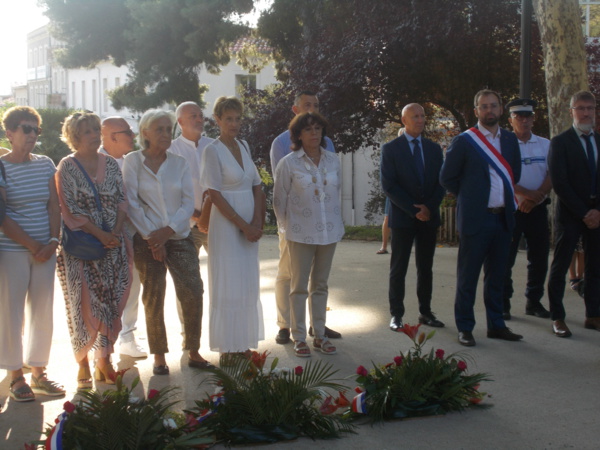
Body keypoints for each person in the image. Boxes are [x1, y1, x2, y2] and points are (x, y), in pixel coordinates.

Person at [122, 109, 212, 374]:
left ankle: (193, 349)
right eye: (159, 129)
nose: (165, 134)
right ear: (145, 133)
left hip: (178, 236)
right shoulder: (133, 161)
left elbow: (187, 203)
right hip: (147, 239)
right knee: (153, 295)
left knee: (193, 289)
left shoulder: (178, 163)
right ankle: (159, 355)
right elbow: (132, 203)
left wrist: (167, 231)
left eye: (168, 129)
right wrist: (153, 237)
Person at [440, 89, 523, 346]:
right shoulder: (465, 141)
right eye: (484, 107)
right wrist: (471, 195)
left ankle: (496, 325)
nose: (490, 111)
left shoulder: (509, 140)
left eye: (494, 106)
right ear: (476, 111)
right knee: (468, 277)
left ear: (501, 110)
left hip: (502, 218)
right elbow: (447, 177)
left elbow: (515, 174)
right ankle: (465, 327)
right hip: (477, 220)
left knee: (498, 276)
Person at [56, 111, 132, 388]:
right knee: (83, 304)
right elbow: (70, 209)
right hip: (82, 250)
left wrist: (114, 233)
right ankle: (83, 361)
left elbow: (122, 202)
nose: (93, 136)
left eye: (95, 130)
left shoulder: (110, 164)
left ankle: (105, 360)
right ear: (74, 137)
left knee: (110, 303)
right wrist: (100, 234)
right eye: (86, 131)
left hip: (114, 246)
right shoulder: (67, 166)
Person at [0, 106, 64, 402]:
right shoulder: (1, 166)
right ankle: (15, 375)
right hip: (13, 250)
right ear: (9, 133)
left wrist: (53, 239)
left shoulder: (45, 163)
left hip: (46, 249)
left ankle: (38, 372)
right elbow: (2, 216)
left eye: (35, 130)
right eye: (25, 129)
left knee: (42, 309)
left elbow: (54, 205)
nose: (32, 135)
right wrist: (31, 245)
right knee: (10, 312)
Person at [270, 90, 341, 344]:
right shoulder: (282, 147)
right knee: (290, 278)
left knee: (319, 283)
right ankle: (287, 327)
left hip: (326, 229)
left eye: (316, 106)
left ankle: (318, 331)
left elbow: (335, 191)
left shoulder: (331, 153)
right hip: (296, 228)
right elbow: (280, 196)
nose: (315, 132)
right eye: (307, 105)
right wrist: (286, 226)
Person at [200, 96, 264, 358]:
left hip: (250, 227)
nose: (235, 123)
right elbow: (214, 194)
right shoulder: (212, 150)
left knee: (246, 282)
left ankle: (243, 343)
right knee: (227, 282)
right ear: (217, 120)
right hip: (226, 228)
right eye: (229, 119)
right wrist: (242, 225)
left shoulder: (244, 145)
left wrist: (257, 222)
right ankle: (228, 347)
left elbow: (257, 185)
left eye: (238, 118)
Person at [381, 103, 445, 332]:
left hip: (429, 218)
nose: (420, 120)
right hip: (403, 218)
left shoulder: (433, 149)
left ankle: (425, 312)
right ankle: (396, 314)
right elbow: (389, 185)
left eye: (422, 116)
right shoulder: (391, 149)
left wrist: (428, 207)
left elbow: (441, 182)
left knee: (425, 267)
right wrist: (414, 209)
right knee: (399, 268)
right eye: (415, 116)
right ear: (404, 120)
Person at [546, 90, 600, 338]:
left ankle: (593, 314)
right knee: (560, 266)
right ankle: (557, 316)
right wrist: (583, 212)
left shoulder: (598, 140)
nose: (586, 112)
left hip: (596, 215)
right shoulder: (560, 142)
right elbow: (560, 182)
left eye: (590, 108)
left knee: (596, 266)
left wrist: (596, 211)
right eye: (580, 108)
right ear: (571, 112)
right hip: (570, 214)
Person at [100, 117, 147, 359]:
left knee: (132, 286)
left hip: (133, 233)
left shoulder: (135, 159)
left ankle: (128, 336)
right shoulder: (94, 161)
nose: (133, 135)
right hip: (101, 237)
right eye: (127, 132)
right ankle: (102, 343)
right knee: (103, 291)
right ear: (111, 136)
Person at [502, 98, 552, 320]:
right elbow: (504, 176)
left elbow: (553, 173)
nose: (524, 120)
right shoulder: (504, 144)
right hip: (513, 209)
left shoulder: (545, 144)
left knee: (539, 258)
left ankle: (534, 302)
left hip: (538, 209)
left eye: (527, 116)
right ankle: (504, 303)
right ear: (511, 120)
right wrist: (525, 195)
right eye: (518, 116)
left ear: (534, 118)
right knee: (505, 259)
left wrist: (538, 196)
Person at [169, 101, 214, 252]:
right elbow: (170, 192)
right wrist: (197, 217)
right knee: (188, 274)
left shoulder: (215, 146)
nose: (200, 119)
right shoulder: (171, 150)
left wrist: (208, 217)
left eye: (201, 116)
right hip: (186, 227)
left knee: (222, 272)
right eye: (193, 116)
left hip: (216, 223)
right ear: (180, 121)